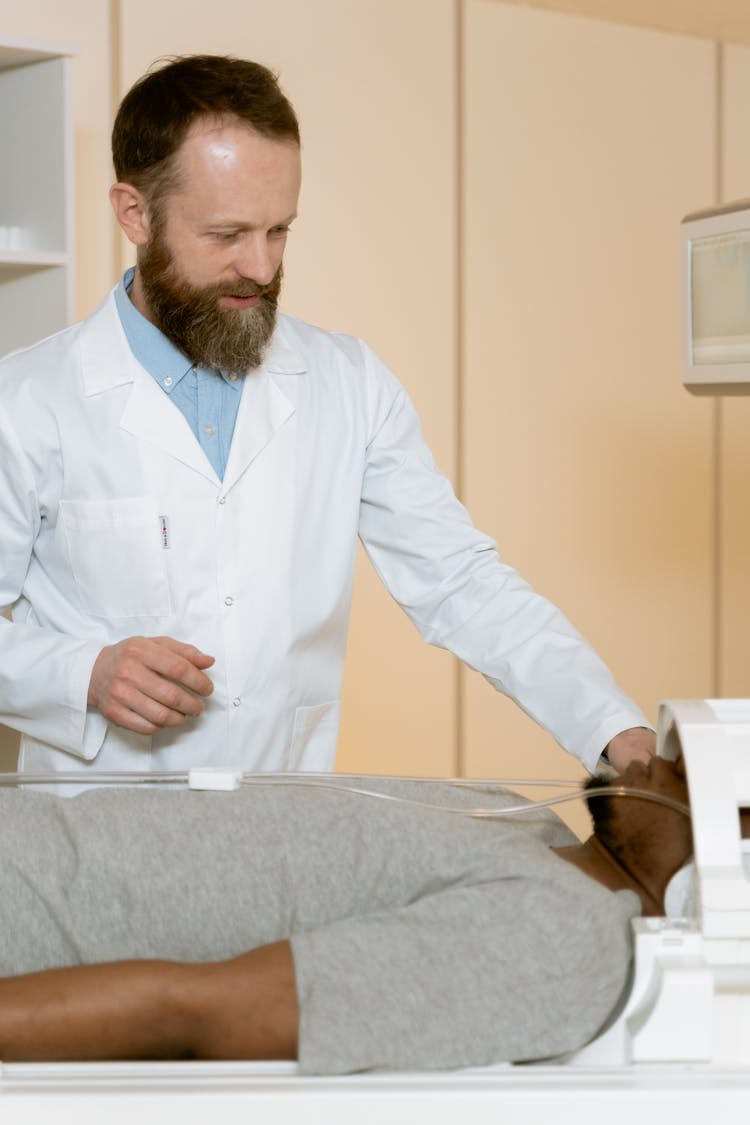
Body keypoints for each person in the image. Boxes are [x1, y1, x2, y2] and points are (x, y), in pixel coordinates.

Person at [0, 54, 654, 780]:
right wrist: (83, 672)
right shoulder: (29, 400)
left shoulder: (348, 382)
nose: (260, 265)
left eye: (280, 230)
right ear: (135, 214)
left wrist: (615, 730)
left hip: (288, 838)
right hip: (94, 849)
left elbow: (463, 584)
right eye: (226, 235)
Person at [0, 757, 691, 1070]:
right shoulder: (532, 826)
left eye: (691, 776)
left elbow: (197, 1009)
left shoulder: (567, 937)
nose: (667, 755)